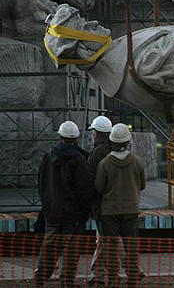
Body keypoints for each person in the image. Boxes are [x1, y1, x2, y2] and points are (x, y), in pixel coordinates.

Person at [34, 120, 94, 288]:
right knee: (71, 248)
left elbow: (41, 183)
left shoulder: (48, 156)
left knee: (49, 245)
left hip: (52, 210)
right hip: (72, 213)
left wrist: (46, 203)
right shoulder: (79, 159)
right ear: (76, 138)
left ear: (59, 136)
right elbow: (85, 187)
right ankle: (67, 281)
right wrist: (85, 211)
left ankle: (41, 276)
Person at [94, 123, 146, 287]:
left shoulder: (105, 163)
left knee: (110, 246)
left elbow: (99, 187)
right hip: (131, 209)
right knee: (131, 246)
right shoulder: (137, 162)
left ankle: (112, 279)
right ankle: (132, 277)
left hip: (109, 211)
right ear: (128, 141)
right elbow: (142, 185)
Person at [86, 115, 113, 285]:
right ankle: (105, 273)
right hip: (117, 203)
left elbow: (92, 181)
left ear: (96, 133)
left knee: (103, 241)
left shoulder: (97, 153)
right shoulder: (116, 150)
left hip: (102, 204)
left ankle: (98, 275)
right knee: (110, 240)